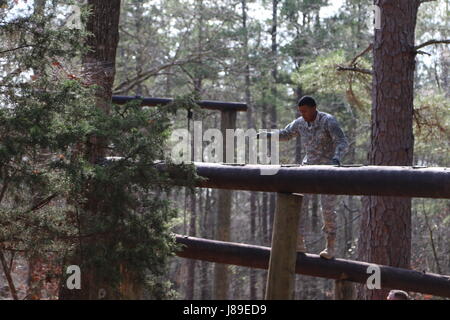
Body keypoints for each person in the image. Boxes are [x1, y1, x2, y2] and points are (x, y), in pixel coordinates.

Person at [257, 96, 349, 259]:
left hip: (328, 170)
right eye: (301, 111)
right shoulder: (300, 123)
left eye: (305, 111)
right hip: (307, 169)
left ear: (314, 108)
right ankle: (299, 242)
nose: (303, 114)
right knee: (299, 203)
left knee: (327, 209)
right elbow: (286, 134)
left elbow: (342, 141)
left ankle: (330, 247)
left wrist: (337, 159)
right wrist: (266, 134)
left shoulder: (328, 121)